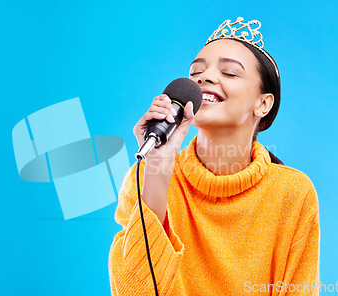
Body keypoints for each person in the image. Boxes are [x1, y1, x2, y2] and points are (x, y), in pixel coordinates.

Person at [108, 17, 320, 295]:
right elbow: (134, 290)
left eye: (230, 73)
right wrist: (158, 167)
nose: (204, 78)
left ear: (263, 104)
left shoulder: (293, 192)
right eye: (196, 72)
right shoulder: (145, 176)